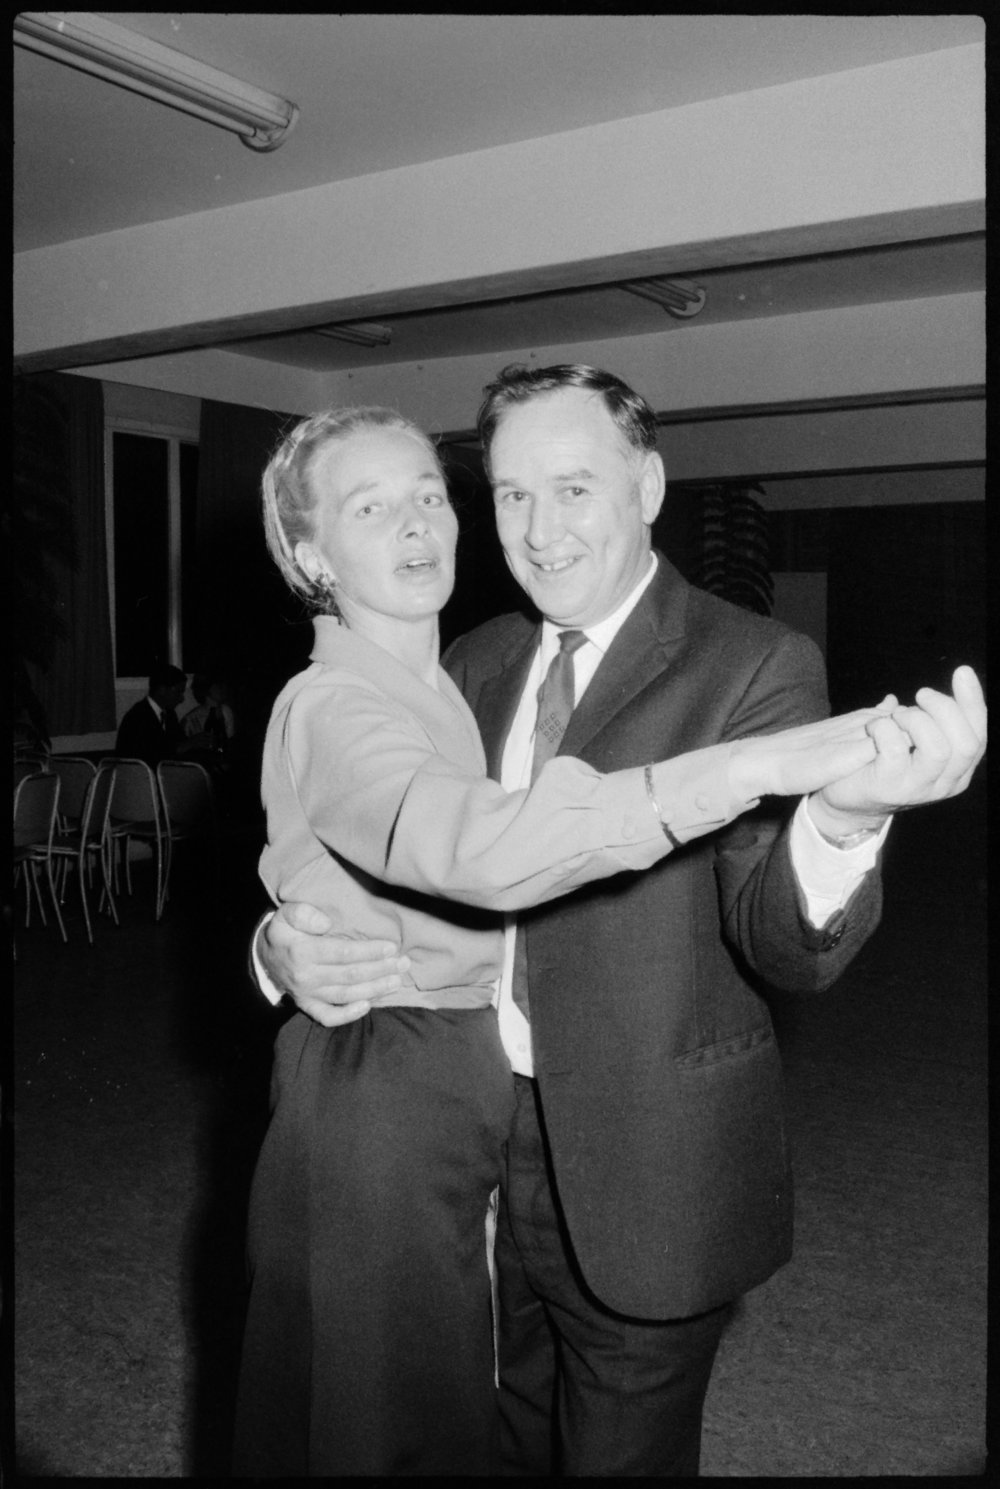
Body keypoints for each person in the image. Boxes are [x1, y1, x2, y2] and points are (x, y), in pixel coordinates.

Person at [253, 366, 986, 1477]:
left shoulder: (755, 660)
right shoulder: (470, 659)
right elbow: (405, 839)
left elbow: (782, 942)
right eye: (511, 493)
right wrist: (276, 946)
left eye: (573, 488)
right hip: (462, 1148)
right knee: (473, 1433)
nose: (539, 530)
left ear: (646, 487)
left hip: (648, 1165)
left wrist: (839, 817)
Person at [114, 663, 187, 767]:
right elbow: (146, 756)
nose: (182, 699)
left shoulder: (169, 715)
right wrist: (179, 748)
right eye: (178, 692)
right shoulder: (137, 717)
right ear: (162, 690)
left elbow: (180, 741)